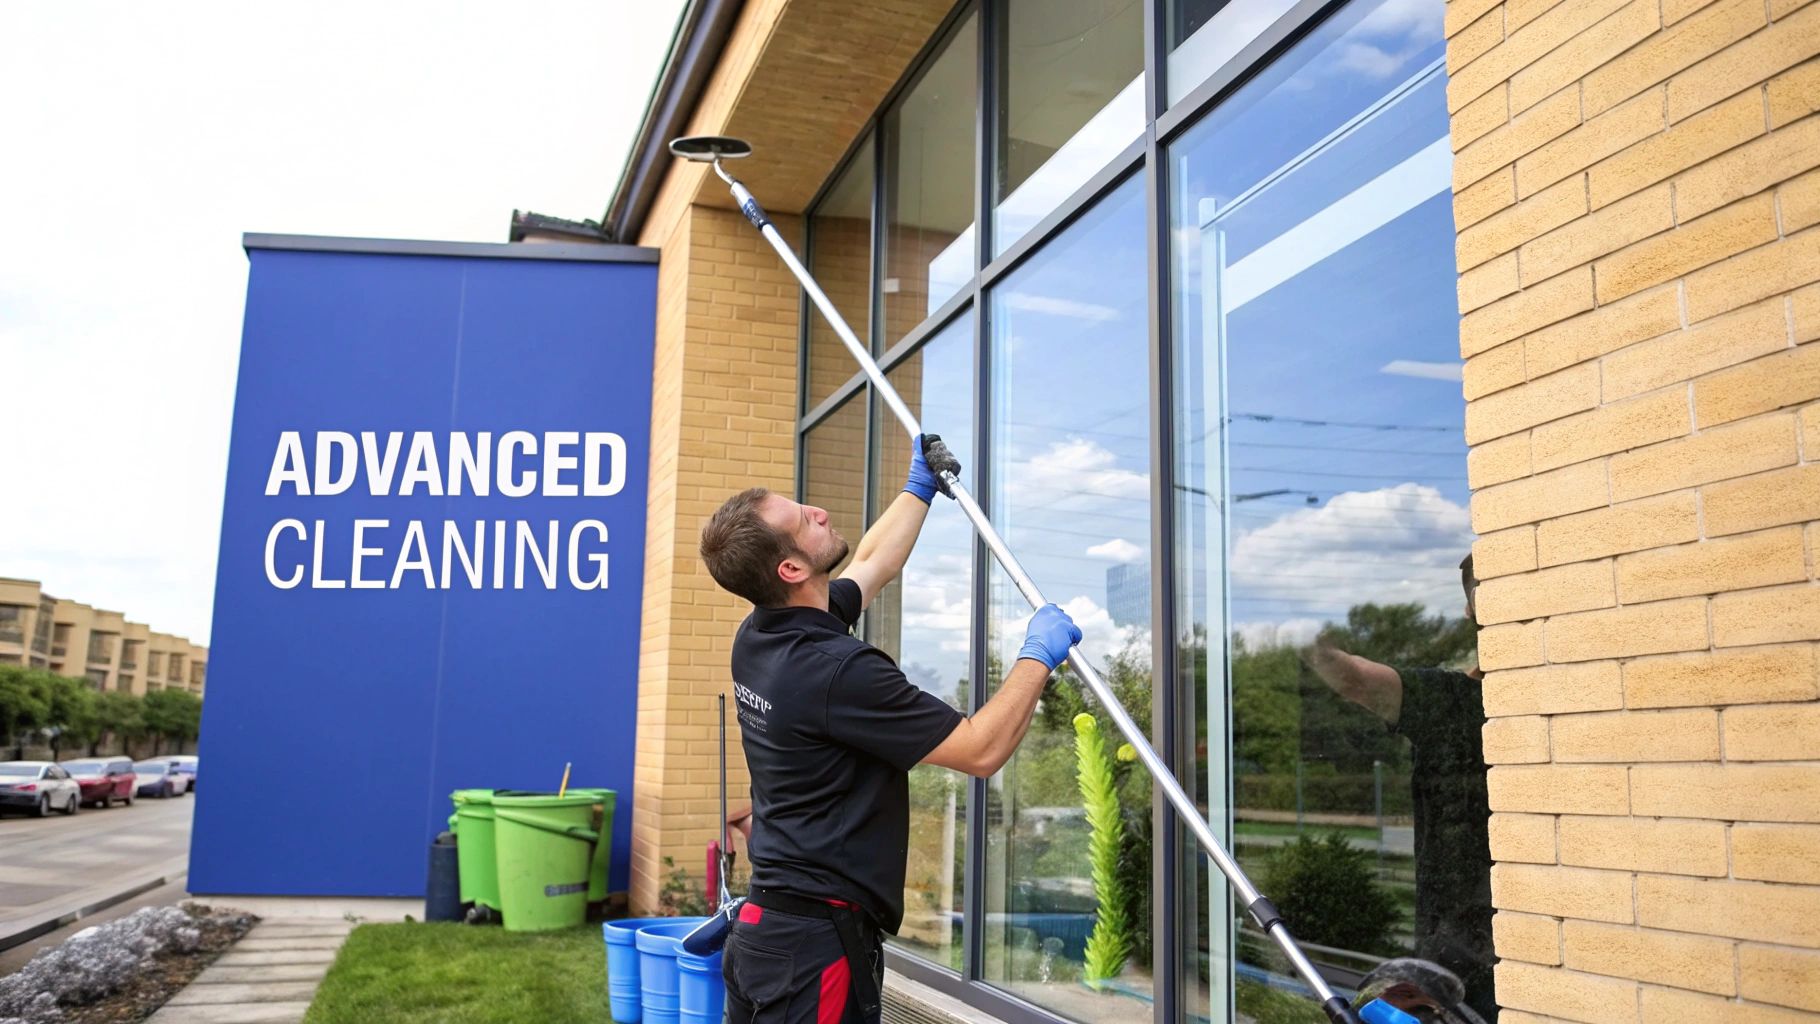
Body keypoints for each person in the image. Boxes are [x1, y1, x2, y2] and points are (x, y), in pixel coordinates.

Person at [698, 434, 1081, 1024]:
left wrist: (917, 490)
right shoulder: (837, 672)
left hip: (768, 934)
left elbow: (874, 562)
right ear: (792, 567)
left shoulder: (763, 633)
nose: (818, 510)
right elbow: (979, 750)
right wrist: (1037, 656)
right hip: (812, 949)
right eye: (804, 519)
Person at [1302, 555, 1496, 1023]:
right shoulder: (1454, 702)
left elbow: (1350, 677)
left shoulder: (1456, 702)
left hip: (1475, 945)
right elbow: (1352, 677)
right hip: (1464, 952)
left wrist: (1294, 620)